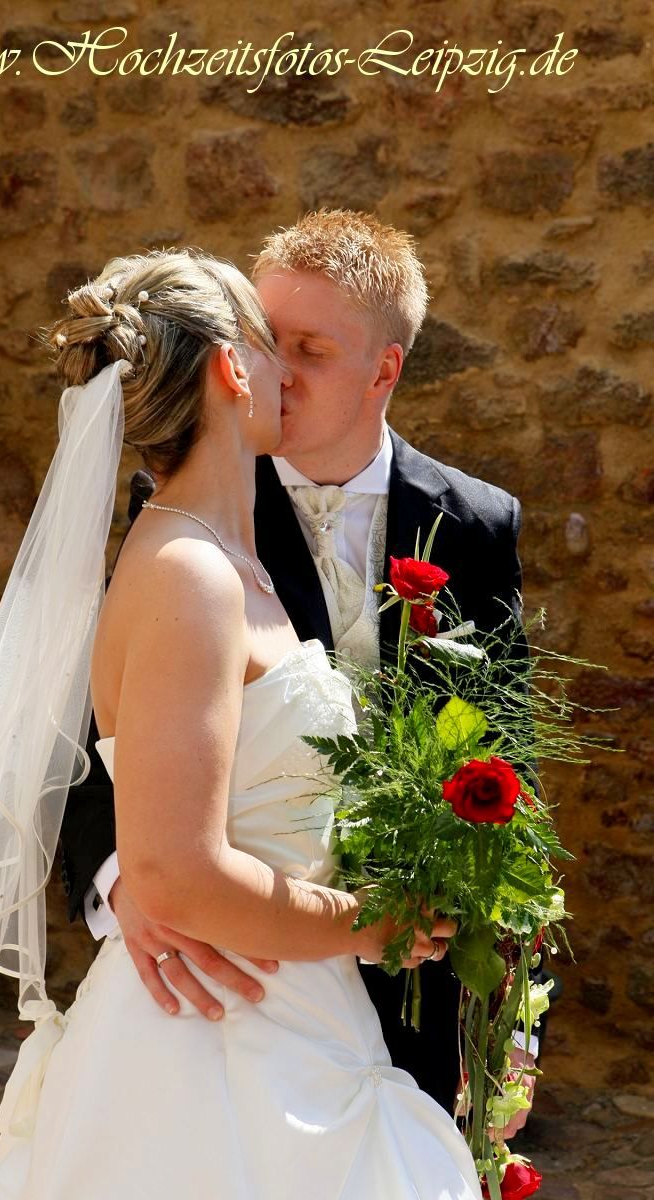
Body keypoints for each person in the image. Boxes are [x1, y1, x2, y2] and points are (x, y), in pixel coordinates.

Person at [61, 211, 540, 1128]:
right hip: (229, 972)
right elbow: (101, 728)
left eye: (311, 349)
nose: (277, 368)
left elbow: (509, 774)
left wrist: (510, 1016)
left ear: (384, 370)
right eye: (265, 340)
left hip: (419, 990)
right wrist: (129, 882)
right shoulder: (179, 525)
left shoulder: (478, 524)